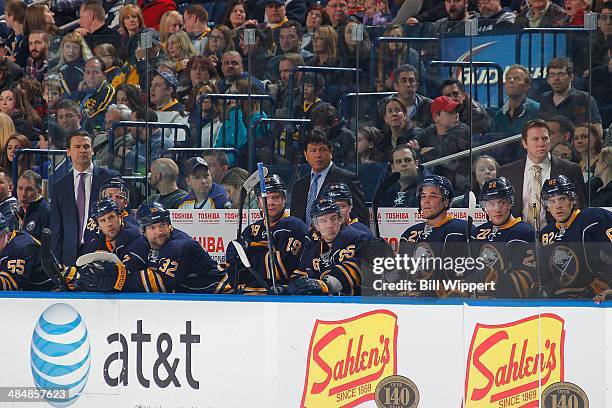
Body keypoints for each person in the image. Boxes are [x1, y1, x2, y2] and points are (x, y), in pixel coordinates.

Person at [225, 174, 309, 294]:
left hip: (278, 297)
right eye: (265, 199)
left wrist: (250, 251)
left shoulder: (295, 227)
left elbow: (280, 270)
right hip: (247, 297)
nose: (270, 203)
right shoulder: (251, 230)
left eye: (275, 197)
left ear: (284, 199)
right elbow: (236, 280)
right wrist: (233, 262)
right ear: (259, 202)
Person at [122, 202, 230, 293]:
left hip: (219, 293)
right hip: (191, 297)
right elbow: (129, 267)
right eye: (152, 227)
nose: (159, 232)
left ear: (169, 224)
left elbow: (160, 284)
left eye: (162, 225)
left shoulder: (177, 245)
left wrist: (121, 280)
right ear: (143, 231)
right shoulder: (143, 242)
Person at [50, 130, 120, 266]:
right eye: (77, 147)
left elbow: (121, 215)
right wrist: (57, 262)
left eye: (86, 146)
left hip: (103, 252)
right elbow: (57, 228)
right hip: (70, 256)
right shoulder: (59, 186)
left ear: (92, 151)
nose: (83, 150)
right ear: (68, 151)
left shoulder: (110, 177)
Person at [499, 119, 586, 228]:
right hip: (519, 239)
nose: (541, 144)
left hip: (558, 237)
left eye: (544, 138)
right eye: (535, 139)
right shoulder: (507, 172)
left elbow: (581, 208)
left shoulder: (570, 170)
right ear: (524, 143)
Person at [539, 175, 612, 298]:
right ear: (546, 207)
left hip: (599, 296)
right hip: (560, 301)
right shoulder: (546, 233)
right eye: (552, 201)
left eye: (562, 199)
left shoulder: (596, 219)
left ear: (572, 200)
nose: (557, 206)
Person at [399, 175, 469, 297]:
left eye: (433, 196)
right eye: (423, 196)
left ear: (446, 201)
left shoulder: (461, 230)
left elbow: (467, 277)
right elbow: (402, 276)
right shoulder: (409, 234)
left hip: (448, 306)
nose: (426, 201)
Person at [470, 177, 536, 298]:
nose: (497, 209)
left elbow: (524, 283)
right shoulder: (478, 232)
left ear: (510, 203)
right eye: (491, 203)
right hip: (476, 303)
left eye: (502, 202)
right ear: (484, 206)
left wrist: (490, 277)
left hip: (508, 305)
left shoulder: (524, 232)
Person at [289, 198, 368, 295]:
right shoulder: (313, 248)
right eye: (323, 221)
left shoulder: (358, 238)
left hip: (357, 305)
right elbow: (300, 276)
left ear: (340, 220)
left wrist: (327, 285)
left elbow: (362, 265)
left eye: (333, 218)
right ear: (316, 225)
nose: (330, 225)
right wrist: (289, 289)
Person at [290, 130, 367, 226]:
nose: (318, 155)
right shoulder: (299, 185)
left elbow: (360, 220)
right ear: (306, 155)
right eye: (313, 151)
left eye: (322, 150)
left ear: (331, 152)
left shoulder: (348, 179)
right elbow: (294, 222)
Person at [538, 57, 603, 137]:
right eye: (552, 75)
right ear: (548, 79)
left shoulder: (584, 98)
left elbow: (598, 132)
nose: (556, 78)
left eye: (561, 74)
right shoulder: (545, 98)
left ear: (571, 77)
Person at [417, 95, 470, 192]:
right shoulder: (429, 131)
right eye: (450, 112)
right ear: (436, 117)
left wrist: (422, 151)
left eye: (456, 111)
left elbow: (446, 151)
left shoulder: (462, 129)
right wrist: (419, 151)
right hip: (434, 185)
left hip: (459, 187)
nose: (456, 114)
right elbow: (410, 149)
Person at [0, 212, 47, 291]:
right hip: (40, 293)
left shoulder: (19, 247)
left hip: (61, 290)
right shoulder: (9, 242)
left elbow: (9, 285)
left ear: (6, 233)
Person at [490, 64, 541, 135]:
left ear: (526, 86)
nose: (511, 81)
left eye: (517, 79)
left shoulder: (537, 110)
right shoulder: (499, 115)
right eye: (508, 78)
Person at [75, 57, 116, 133]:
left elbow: (99, 112)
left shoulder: (108, 90)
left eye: (95, 72)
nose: (91, 76)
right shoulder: (83, 91)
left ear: (104, 75)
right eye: (88, 72)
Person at [310, 103, 356, 167]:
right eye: (317, 131)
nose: (321, 134)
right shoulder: (312, 135)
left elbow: (351, 165)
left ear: (335, 122)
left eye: (325, 130)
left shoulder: (348, 138)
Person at [390, 64, 433, 129]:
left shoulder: (429, 105)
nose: (408, 85)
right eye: (403, 81)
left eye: (411, 81)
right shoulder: (385, 105)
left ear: (416, 85)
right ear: (396, 86)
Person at [14, 170, 49, 241]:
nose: (23, 194)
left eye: (29, 189)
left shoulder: (47, 213)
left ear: (39, 191)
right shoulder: (15, 211)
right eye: (20, 188)